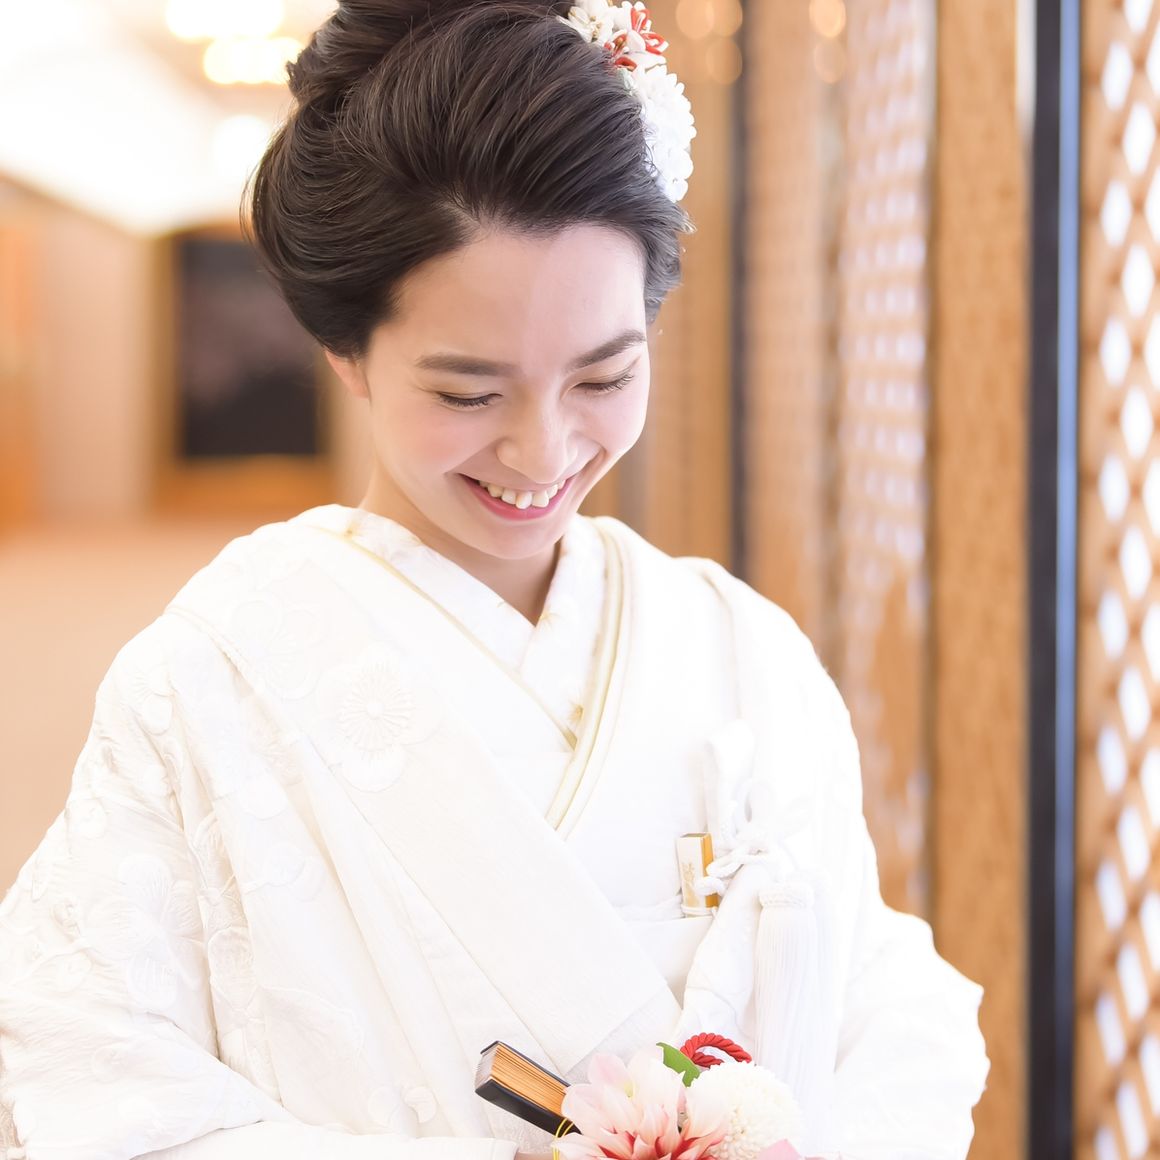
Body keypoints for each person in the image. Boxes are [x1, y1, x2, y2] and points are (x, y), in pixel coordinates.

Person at [0, 2, 989, 1158]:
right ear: (345, 349)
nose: (542, 449)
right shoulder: (203, 681)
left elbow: (877, 995)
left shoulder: (738, 647)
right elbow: (85, 1074)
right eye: (468, 393)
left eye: (602, 377)